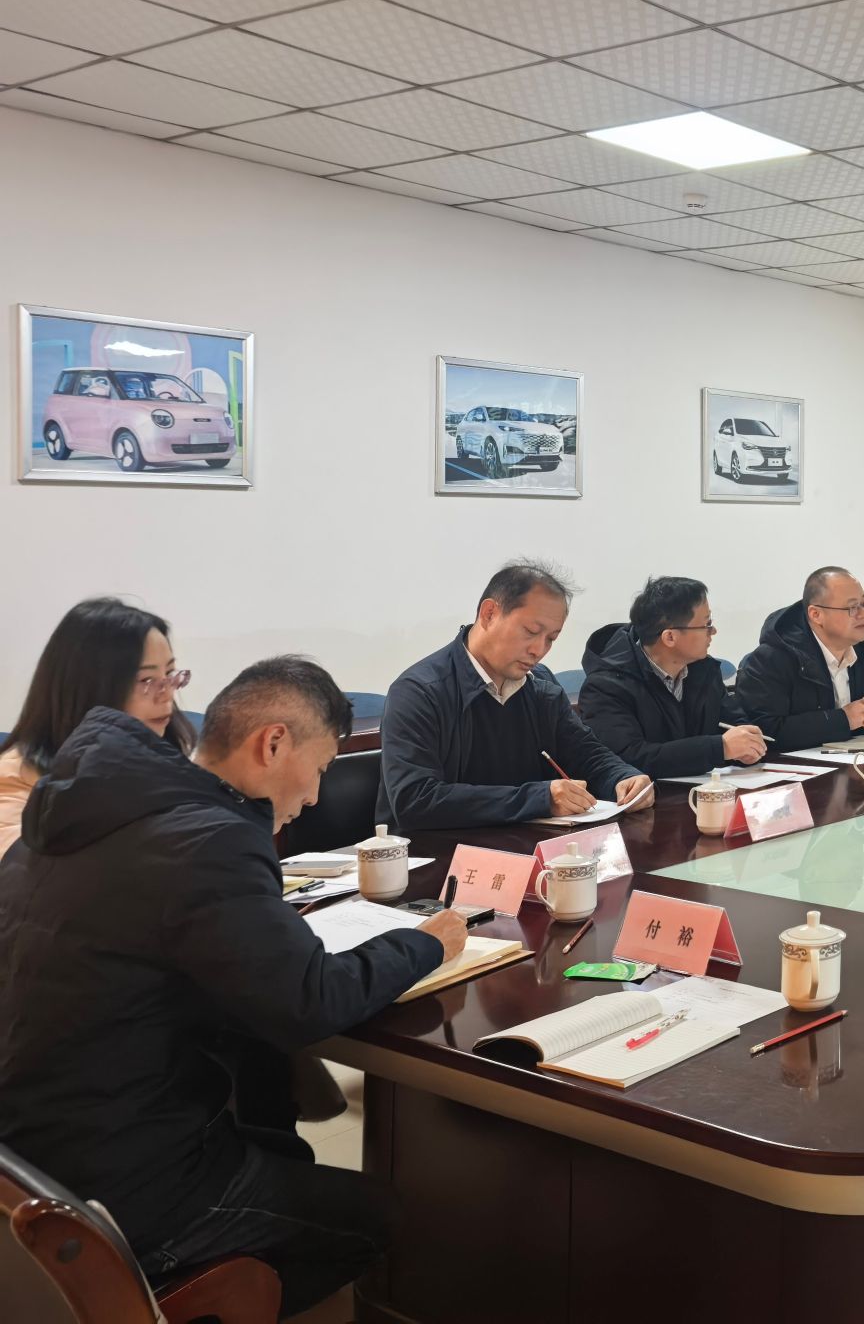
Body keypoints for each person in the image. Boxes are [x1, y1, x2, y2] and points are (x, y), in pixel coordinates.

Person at [0, 656, 466, 1318]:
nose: (314, 795)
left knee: (281, 1145)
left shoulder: (71, 816)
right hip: (122, 1185)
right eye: (321, 768)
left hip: (26, 1159)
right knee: (377, 1214)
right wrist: (426, 942)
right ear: (273, 743)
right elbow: (310, 1001)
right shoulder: (208, 839)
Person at [377, 562, 650, 831]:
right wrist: (539, 799)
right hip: (440, 853)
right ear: (489, 613)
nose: (539, 650)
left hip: (525, 846)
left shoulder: (540, 685)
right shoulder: (420, 691)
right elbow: (415, 800)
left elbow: (586, 754)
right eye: (530, 632)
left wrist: (624, 778)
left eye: (551, 638)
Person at [1, 597, 196, 858]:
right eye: (146, 680)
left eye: (170, 675)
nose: (167, 695)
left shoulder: (169, 754)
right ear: (88, 688)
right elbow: (21, 871)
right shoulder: (14, 777)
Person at [578, 576, 767, 778]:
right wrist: (719, 749)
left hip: (703, 787)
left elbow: (732, 722)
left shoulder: (704, 669)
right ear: (670, 637)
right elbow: (628, 758)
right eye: (706, 624)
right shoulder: (606, 686)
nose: (713, 631)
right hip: (651, 794)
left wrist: (747, 747)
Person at [734, 566, 864, 752]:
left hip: (850, 762)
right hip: (793, 770)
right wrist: (844, 719)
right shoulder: (771, 660)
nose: (863, 614)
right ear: (816, 614)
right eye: (852, 607)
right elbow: (765, 731)